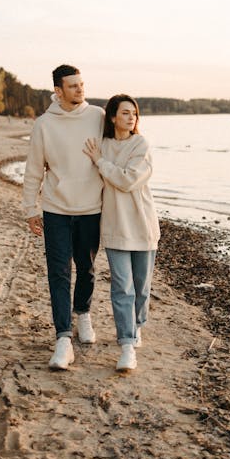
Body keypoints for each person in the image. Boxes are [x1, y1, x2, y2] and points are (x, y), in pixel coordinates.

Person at [23, 65, 104, 370]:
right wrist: (30, 209)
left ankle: (83, 313)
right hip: (56, 209)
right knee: (58, 274)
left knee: (87, 268)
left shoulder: (97, 116)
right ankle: (63, 339)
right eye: (72, 86)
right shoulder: (44, 124)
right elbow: (33, 169)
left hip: (90, 209)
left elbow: (117, 147)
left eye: (82, 84)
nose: (80, 89)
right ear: (58, 91)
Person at [83, 94, 160, 372]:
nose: (131, 118)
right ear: (112, 117)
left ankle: (137, 325)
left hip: (142, 225)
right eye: (125, 113)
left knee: (141, 287)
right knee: (122, 288)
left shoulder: (141, 145)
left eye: (134, 114)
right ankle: (127, 344)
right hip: (115, 227)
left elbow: (128, 180)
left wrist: (101, 164)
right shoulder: (101, 146)